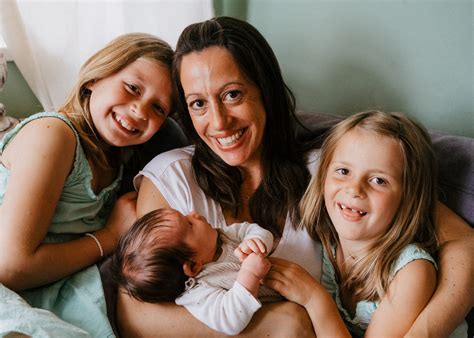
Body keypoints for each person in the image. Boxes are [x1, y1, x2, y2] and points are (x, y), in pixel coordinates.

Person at [116, 17, 473, 337]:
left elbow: (464, 244)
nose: (219, 122)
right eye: (198, 104)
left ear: (265, 91)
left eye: (232, 94)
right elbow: (136, 313)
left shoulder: (331, 172)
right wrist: (281, 322)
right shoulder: (171, 176)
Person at [0, 32, 174, 337]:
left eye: (158, 108)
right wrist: (109, 236)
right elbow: (11, 266)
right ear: (95, 77)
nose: (140, 111)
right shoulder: (54, 134)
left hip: (48, 287)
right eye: (132, 88)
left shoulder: (118, 159)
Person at [265, 110, 468, 337]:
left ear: (409, 198)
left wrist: (316, 300)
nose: (354, 189)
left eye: (378, 180)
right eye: (343, 171)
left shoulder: (411, 273)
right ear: (322, 177)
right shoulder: (326, 246)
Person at [111, 207, 279, 335]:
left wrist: (256, 241)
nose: (194, 213)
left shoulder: (222, 237)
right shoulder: (198, 293)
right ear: (193, 267)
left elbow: (252, 230)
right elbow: (230, 319)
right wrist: (250, 274)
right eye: (190, 224)